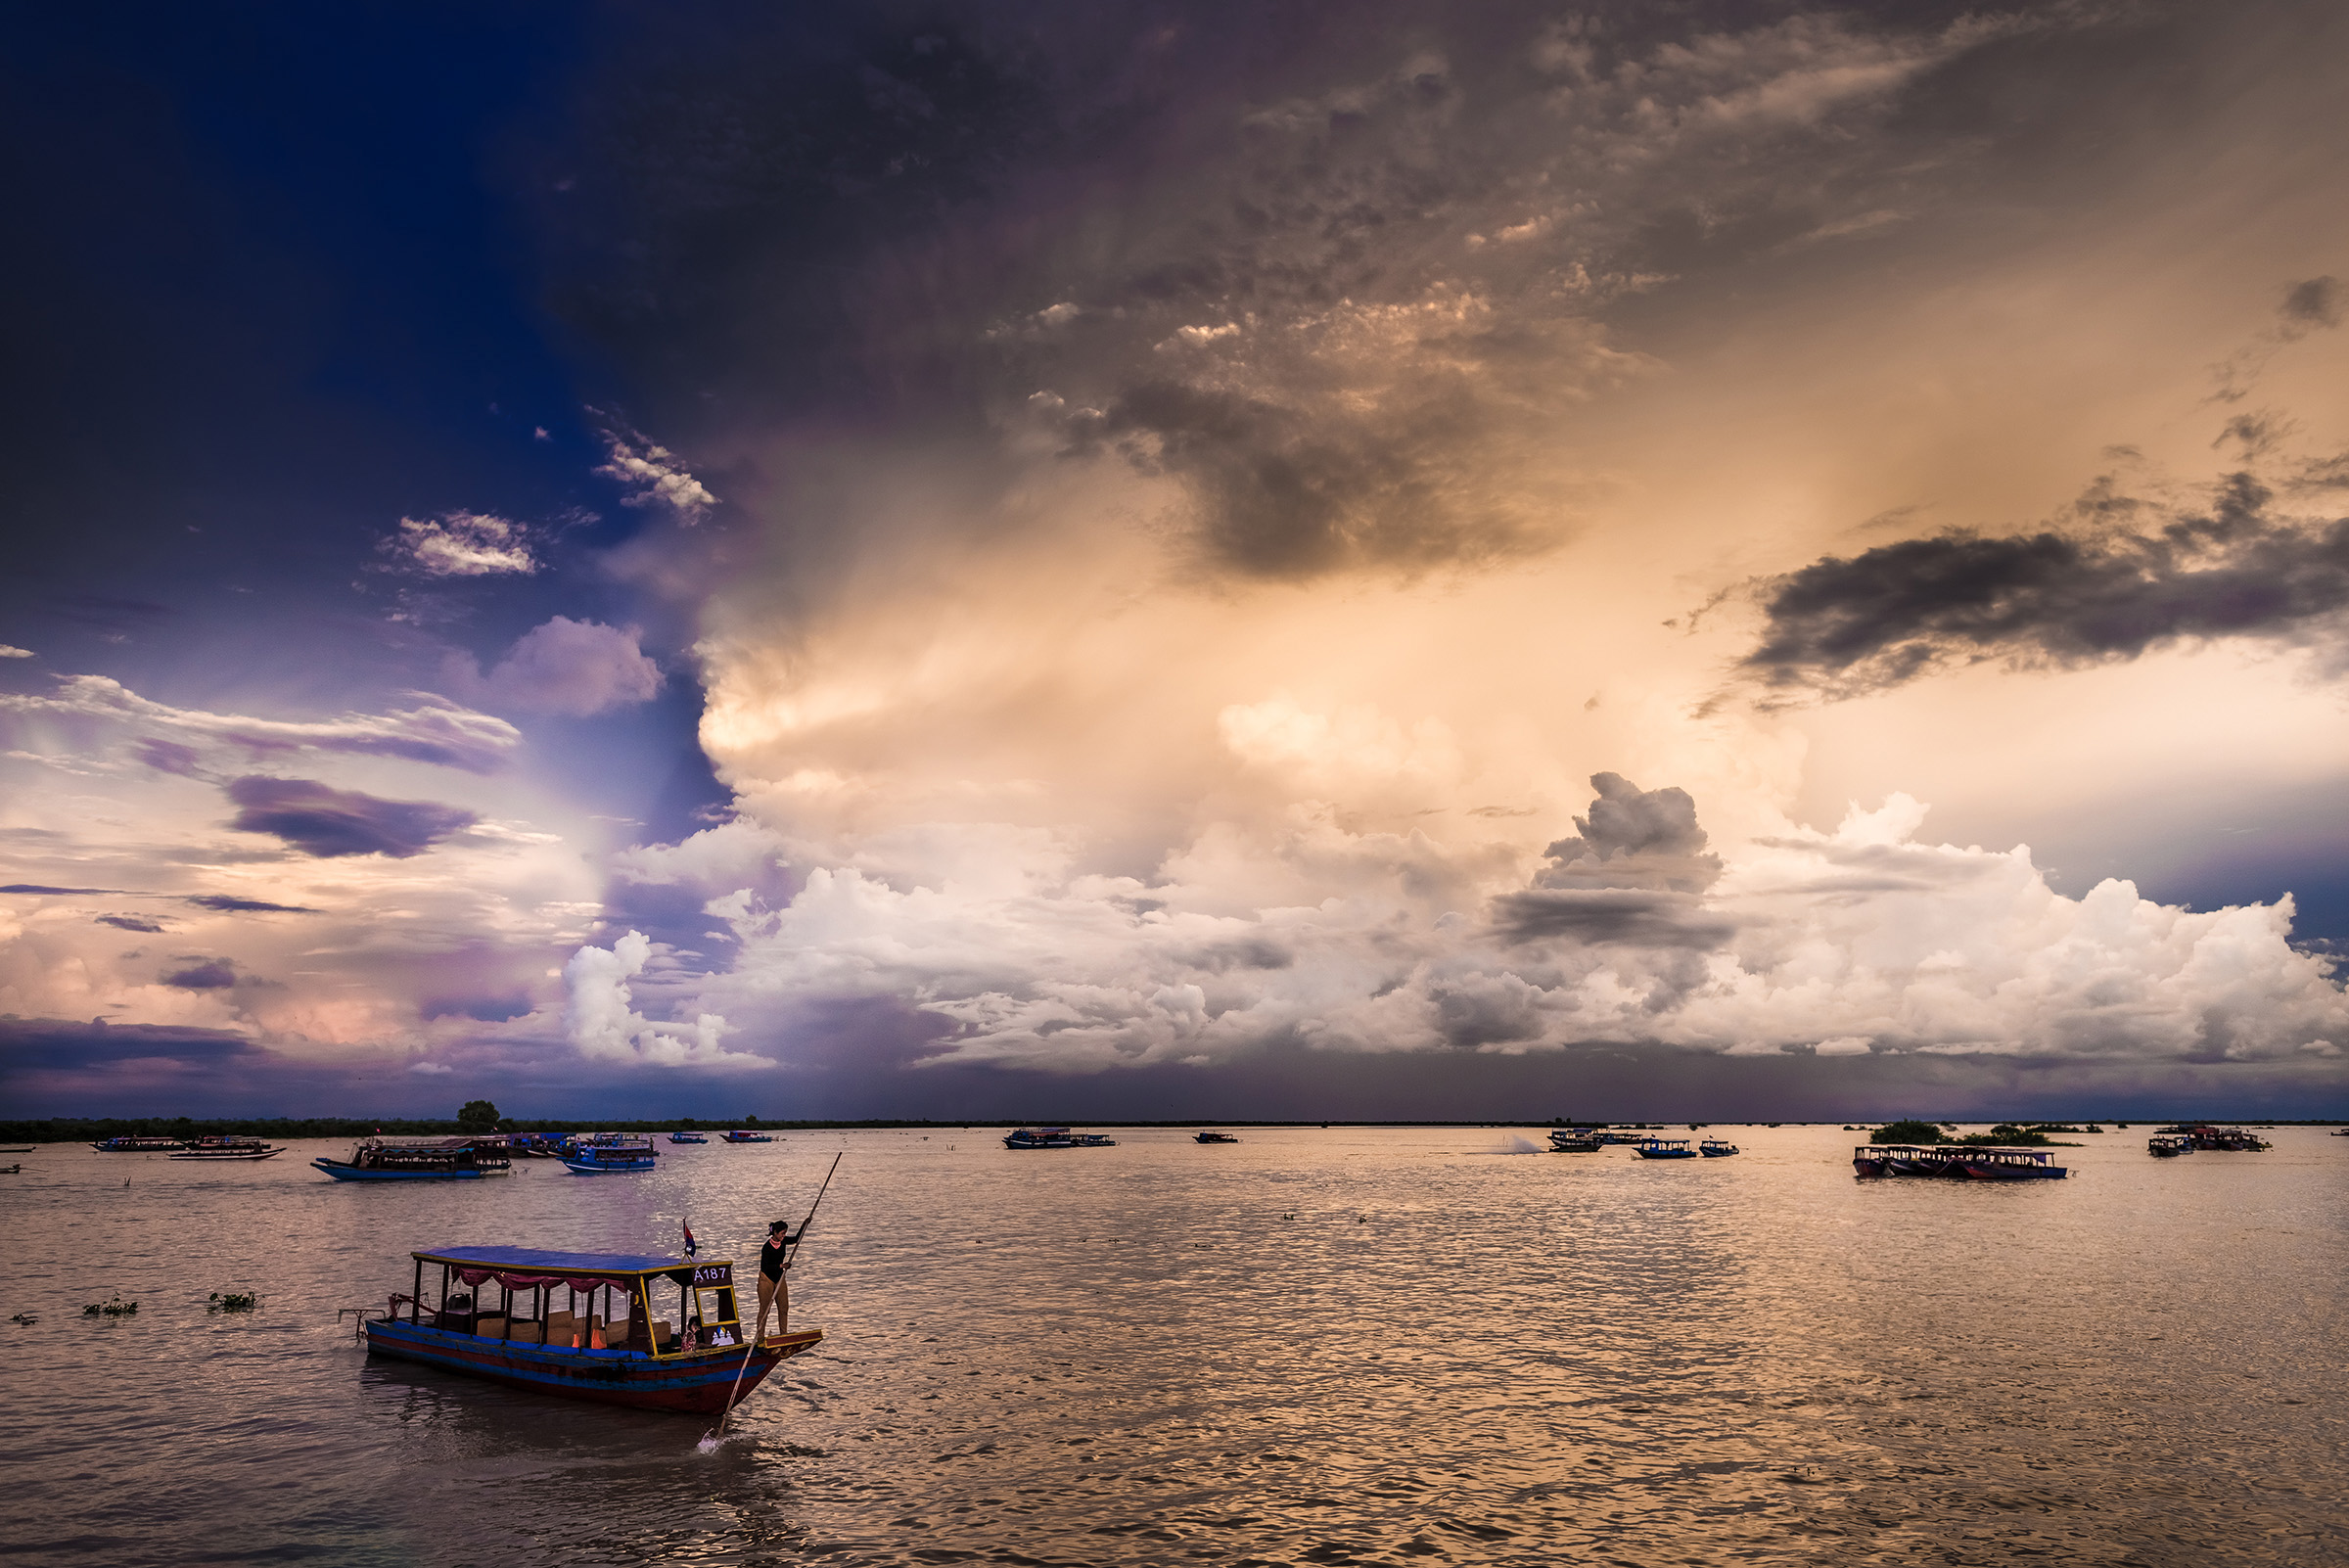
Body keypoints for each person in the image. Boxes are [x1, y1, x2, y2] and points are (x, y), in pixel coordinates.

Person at [756, 1219, 798, 1340]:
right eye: (782, 1233)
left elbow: (795, 1239)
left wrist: (805, 1224)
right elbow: (765, 1267)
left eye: (785, 1233)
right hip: (766, 1279)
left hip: (779, 1278)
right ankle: (760, 1337)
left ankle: (783, 1334)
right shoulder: (767, 1247)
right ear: (775, 1233)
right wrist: (781, 1266)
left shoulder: (783, 1241)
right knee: (765, 1310)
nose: (784, 1236)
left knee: (784, 1308)